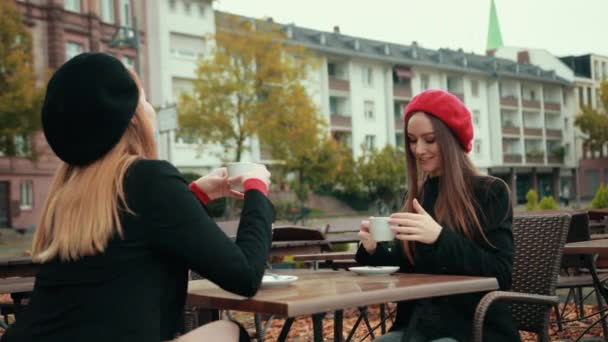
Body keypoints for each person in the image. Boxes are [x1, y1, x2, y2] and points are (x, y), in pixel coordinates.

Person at [1, 53, 274, 342]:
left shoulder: (67, 191)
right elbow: (244, 276)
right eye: (144, 98)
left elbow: (132, 236)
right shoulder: (149, 180)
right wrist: (257, 188)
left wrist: (192, 195)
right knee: (231, 332)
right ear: (131, 115)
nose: (150, 107)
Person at [356, 89, 520, 342]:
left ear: (451, 139)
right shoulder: (419, 195)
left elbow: (501, 273)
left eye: (430, 139)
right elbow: (409, 266)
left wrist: (440, 238)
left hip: (476, 327)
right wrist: (374, 250)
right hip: (421, 327)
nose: (418, 149)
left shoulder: (490, 192)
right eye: (412, 140)